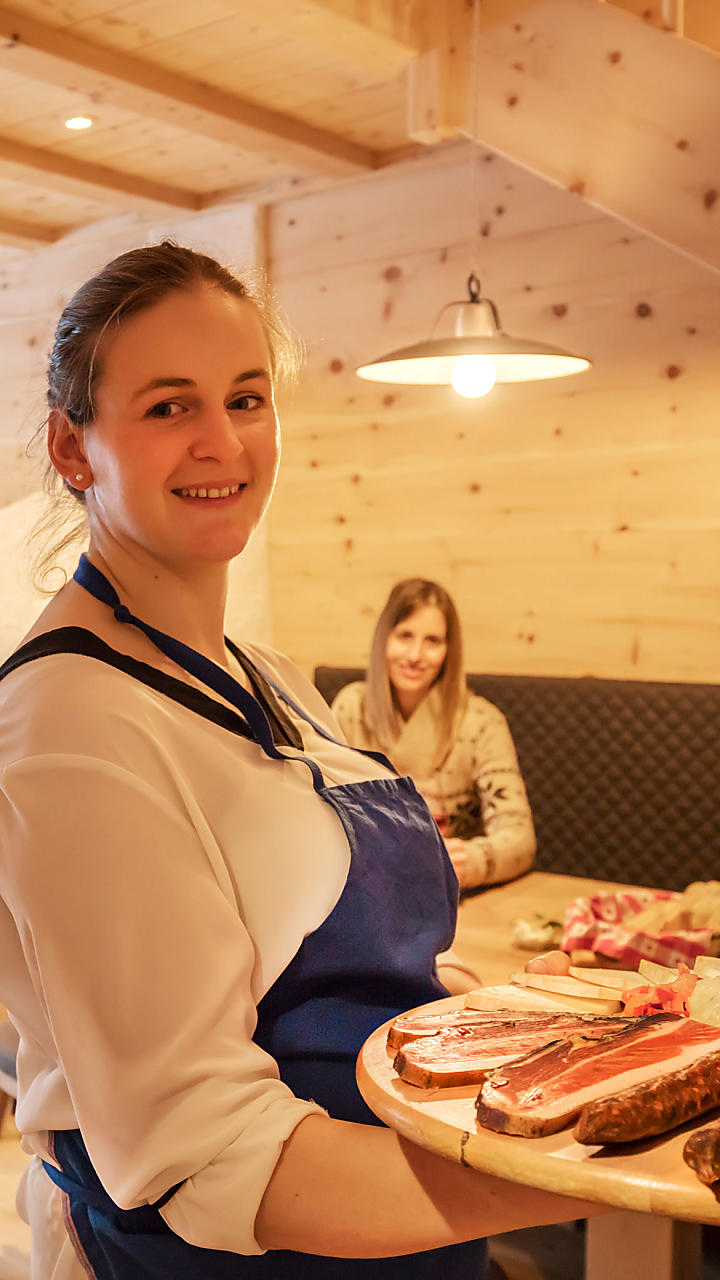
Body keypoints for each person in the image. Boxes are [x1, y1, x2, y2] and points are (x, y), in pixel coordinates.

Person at [0, 242, 602, 1280]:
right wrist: (585, 1162)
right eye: (167, 406)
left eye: (245, 397)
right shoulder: (69, 723)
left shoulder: (266, 675)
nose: (222, 439)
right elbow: (215, 1158)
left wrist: (514, 1019)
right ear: (72, 445)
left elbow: (340, 959)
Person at [332, 579, 536, 890]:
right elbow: (323, 812)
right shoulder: (350, 709)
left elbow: (520, 839)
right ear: (383, 639)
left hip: (449, 890)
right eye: (404, 636)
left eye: (432, 641)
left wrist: (472, 860)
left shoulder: (482, 722)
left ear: (448, 651)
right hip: (367, 886)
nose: (415, 655)